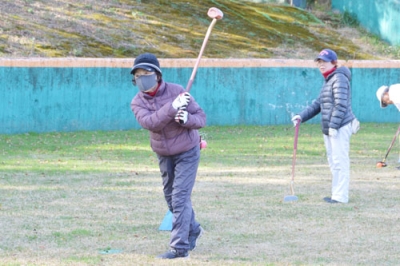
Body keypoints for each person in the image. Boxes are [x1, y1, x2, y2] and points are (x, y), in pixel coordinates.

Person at [130, 53, 206, 259]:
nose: (142, 78)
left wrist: (186, 118)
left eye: (146, 73)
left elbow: (201, 118)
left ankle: (179, 248)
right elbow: (151, 123)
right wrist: (173, 108)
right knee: (171, 200)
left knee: (180, 198)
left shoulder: (178, 91)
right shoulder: (137, 102)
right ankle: (194, 229)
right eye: (138, 75)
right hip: (164, 154)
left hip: (188, 151)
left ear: (157, 75)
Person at [291, 48, 357, 204]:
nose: (321, 65)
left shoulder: (339, 78)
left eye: (324, 62)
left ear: (333, 63)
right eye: (319, 62)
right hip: (330, 128)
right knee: (334, 162)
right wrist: (301, 116)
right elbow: (318, 104)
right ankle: (336, 195)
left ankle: (341, 197)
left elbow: (341, 105)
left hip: (339, 127)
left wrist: (334, 126)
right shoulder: (329, 80)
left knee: (340, 162)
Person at [376, 84, 400, 166]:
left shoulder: (394, 92)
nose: (387, 103)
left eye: (384, 101)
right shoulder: (394, 96)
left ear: (385, 94)